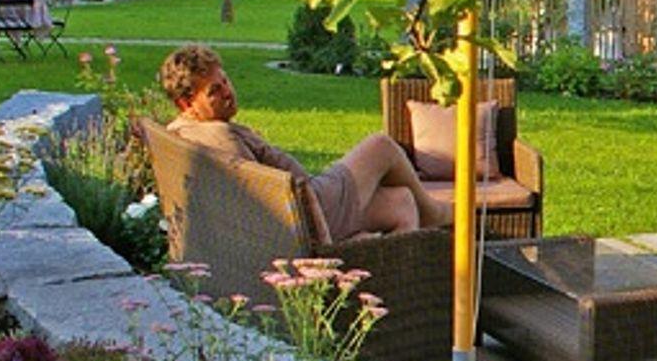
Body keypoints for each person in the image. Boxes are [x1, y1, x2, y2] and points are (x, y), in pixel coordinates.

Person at [158, 44, 449, 239]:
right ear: (186, 103)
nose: (227, 92)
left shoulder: (183, 131)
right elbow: (265, 201)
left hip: (309, 203)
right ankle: (438, 215)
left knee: (402, 202)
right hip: (314, 209)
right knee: (381, 146)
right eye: (214, 91)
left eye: (225, 82)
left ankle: (399, 289)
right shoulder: (219, 139)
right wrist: (323, 246)